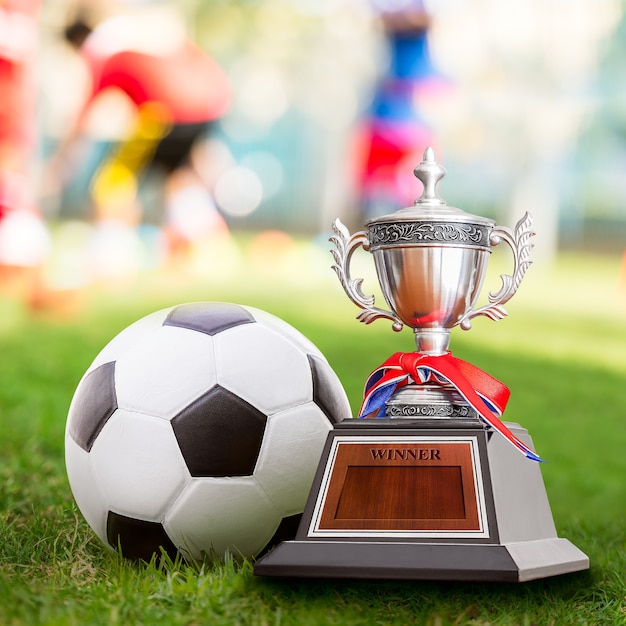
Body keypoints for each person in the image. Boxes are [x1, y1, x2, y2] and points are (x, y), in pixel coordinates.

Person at [55, 5, 231, 274]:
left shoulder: (100, 50)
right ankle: (211, 252)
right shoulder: (137, 35)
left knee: (113, 181)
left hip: (161, 111)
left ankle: (111, 255)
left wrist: (59, 166)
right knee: (180, 180)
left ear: (79, 40)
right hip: (209, 106)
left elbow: (84, 118)